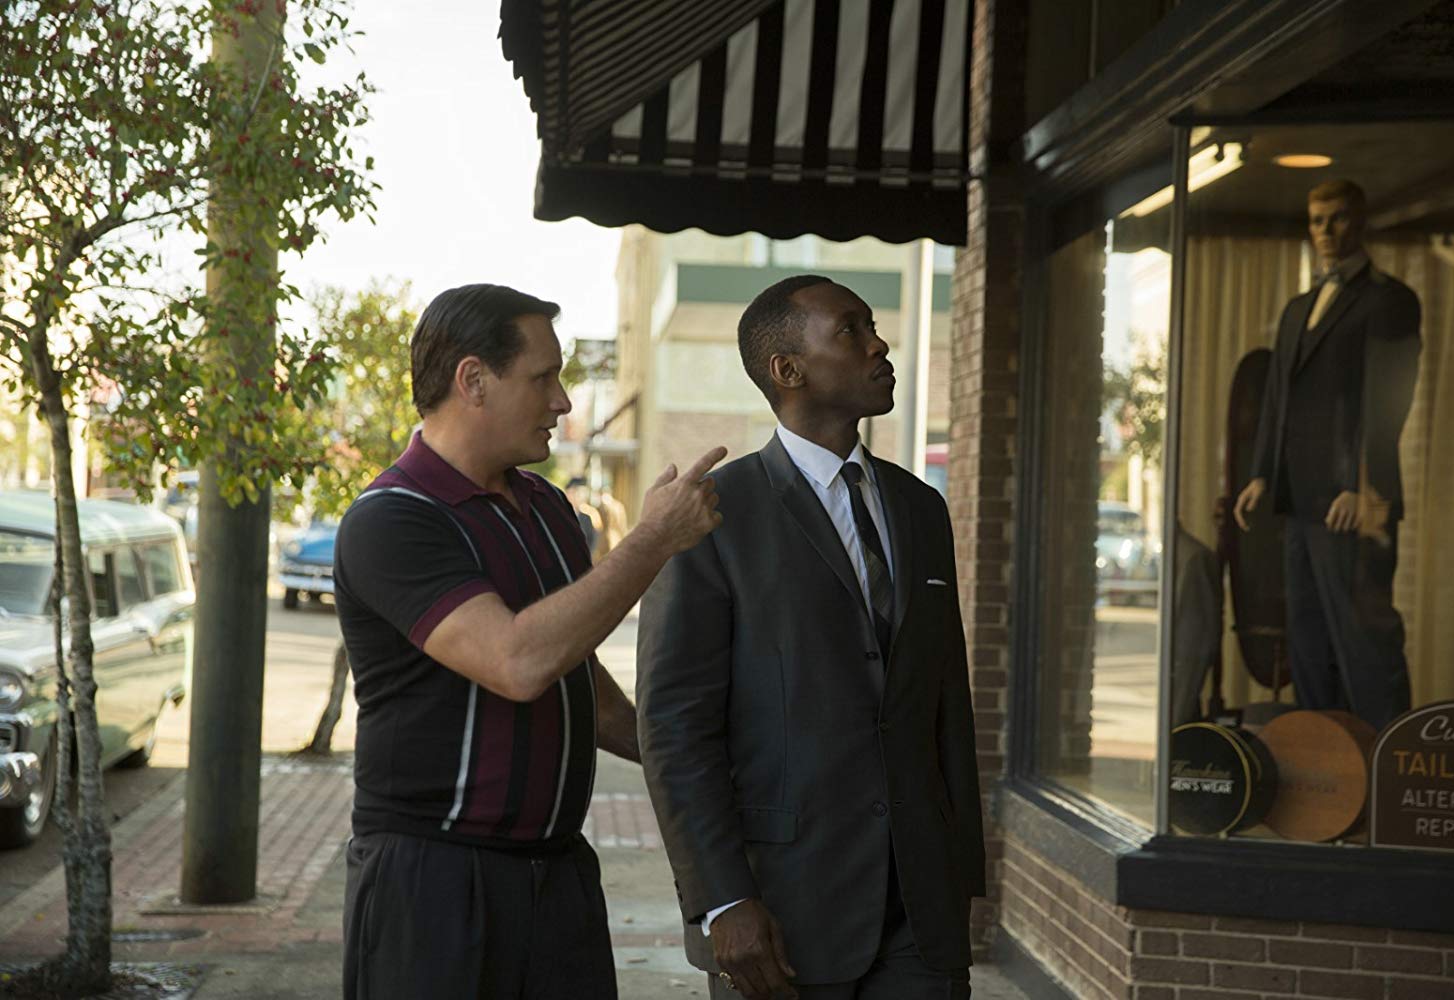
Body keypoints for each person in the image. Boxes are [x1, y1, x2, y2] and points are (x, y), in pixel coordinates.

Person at [334, 283, 726, 1000]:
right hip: (434, 883)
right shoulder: (391, 519)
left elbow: (576, 677)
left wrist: (687, 752)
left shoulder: (546, 506)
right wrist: (653, 540)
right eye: (544, 377)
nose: (564, 401)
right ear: (473, 380)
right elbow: (517, 662)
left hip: (558, 876)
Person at [637, 275, 986, 1000]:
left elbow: (946, 696)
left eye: (872, 327)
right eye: (852, 330)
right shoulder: (713, 514)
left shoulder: (921, 509)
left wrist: (962, 872)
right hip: (781, 918)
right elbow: (675, 725)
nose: (879, 343)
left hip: (921, 918)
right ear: (787, 371)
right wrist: (722, 900)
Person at [1233, 179, 1422, 731]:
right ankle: (1326, 776)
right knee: (1309, 644)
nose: (1326, 232)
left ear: (1360, 221)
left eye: (1337, 219)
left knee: (1366, 644)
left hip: (1354, 506)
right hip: (1300, 502)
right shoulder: (1298, 309)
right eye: (1317, 220)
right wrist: (1262, 474)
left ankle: (1391, 770)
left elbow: (1390, 400)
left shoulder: (1390, 301)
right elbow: (1278, 399)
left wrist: (1364, 485)